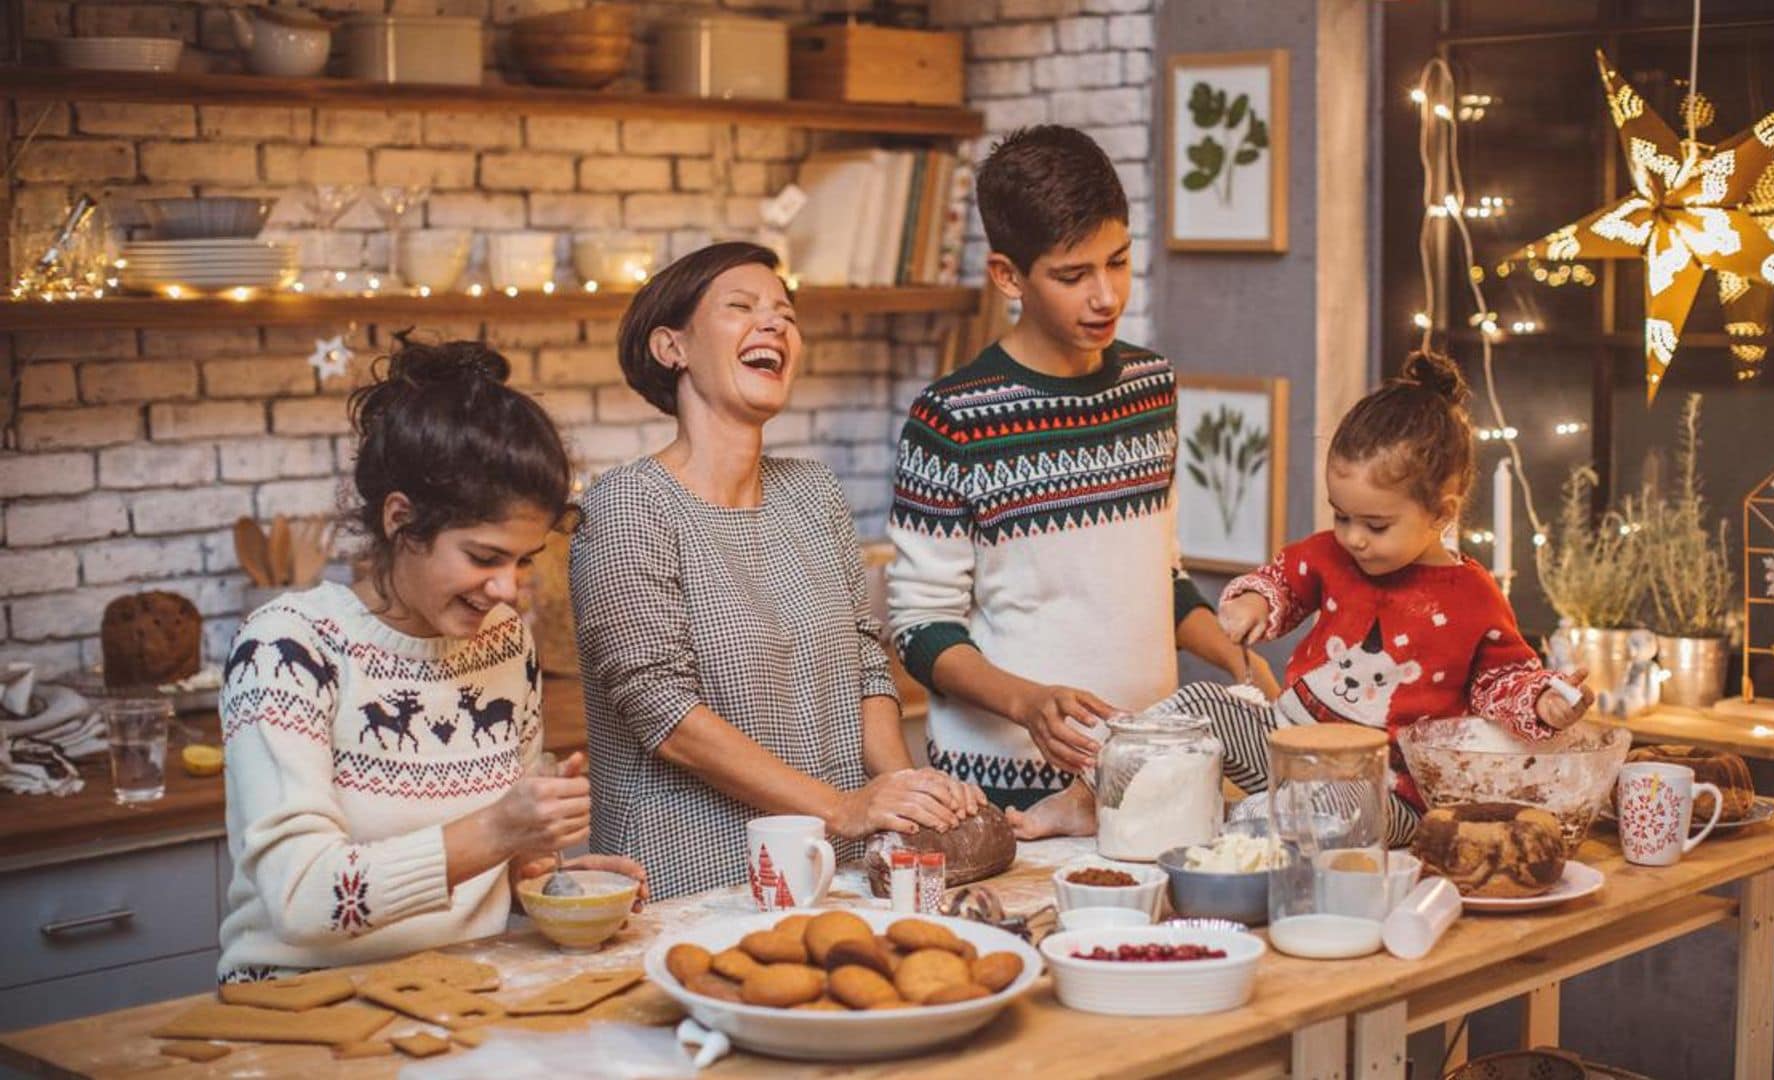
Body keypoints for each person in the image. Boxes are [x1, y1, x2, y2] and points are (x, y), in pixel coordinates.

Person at [886, 125, 1281, 837]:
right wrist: (1030, 704)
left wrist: (1232, 655)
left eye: (1119, 262)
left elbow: (1161, 578)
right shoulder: (950, 419)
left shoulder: (1150, 385)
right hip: (1000, 788)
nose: (1106, 296)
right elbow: (920, 630)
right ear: (1009, 276)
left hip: (1147, 772)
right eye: (1073, 277)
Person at [216, 338, 645, 984]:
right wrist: (499, 831)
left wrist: (551, 881)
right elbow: (300, 899)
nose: (508, 590)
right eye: (483, 557)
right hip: (295, 1009)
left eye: (523, 560)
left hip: (461, 991)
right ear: (400, 520)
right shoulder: (286, 648)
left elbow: (496, 862)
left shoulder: (502, 640)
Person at [572, 241, 985, 901]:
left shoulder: (813, 492)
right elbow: (664, 713)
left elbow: (866, 665)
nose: (774, 325)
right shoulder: (626, 507)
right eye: (742, 307)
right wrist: (842, 808)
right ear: (670, 347)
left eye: (785, 314)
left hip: (840, 869)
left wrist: (905, 801)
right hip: (696, 883)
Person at [1217, 350, 1595, 843]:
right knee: (1202, 705)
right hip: (1287, 745)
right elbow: (1284, 582)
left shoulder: (1472, 598)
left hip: (1384, 792)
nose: (1353, 537)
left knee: (1335, 804)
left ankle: (1252, 823)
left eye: (1375, 525)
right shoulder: (1332, 555)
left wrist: (1544, 701)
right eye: (1341, 515)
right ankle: (1114, 781)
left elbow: (1503, 679)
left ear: (1442, 512)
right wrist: (1255, 602)